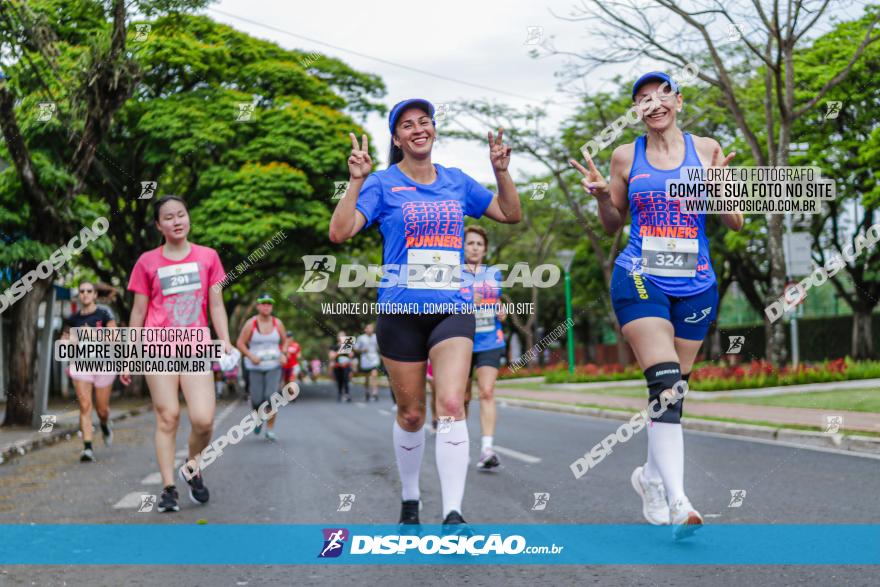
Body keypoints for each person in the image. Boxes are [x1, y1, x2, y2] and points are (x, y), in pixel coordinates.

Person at [328, 98, 521, 528]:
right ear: (396, 138)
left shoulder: (456, 181)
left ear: (434, 130)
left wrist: (501, 171)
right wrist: (355, 182)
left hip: (452, 309)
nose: (419, 129)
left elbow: (511, 213)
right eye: (407, 125)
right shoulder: (380, 183)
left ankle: (453, 511)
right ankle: (411, 496)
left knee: (451, 403)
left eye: (425, 122)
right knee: (412, 414)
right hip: (400, 312)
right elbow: (339, 232)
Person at [569, 71, 741, 539]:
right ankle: (680, 501)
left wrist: (720, 184)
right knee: (664, 383)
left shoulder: (707, 150)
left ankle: (649, 478)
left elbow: (736, 221)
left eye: (662, 94)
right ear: (636, 111)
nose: (654, 103)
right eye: (643, 99)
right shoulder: (626, 156)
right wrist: (604, 196)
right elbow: (611, 224)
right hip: (640, 276)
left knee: (672, 394)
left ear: (679, 102)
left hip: (697, 282)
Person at [122, 195, 233, 513]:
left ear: (188, 218)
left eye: (181, 214)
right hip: (158, 347)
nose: (176, 221)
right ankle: (169, 487)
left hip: (196, 345)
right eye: (168, 217)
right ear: (159, 225)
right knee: (167, 416)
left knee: (203, 419)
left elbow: (215, 304)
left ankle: (192, 466)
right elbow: (138, 312)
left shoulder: (208, 257)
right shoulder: (147, 262)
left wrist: (224, 339)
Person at [462, 226, 507, 470]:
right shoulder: (454, 272)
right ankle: (458, 446)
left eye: (479, 244)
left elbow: (496, 299)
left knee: (487, 392)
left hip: (490, 338)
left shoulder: (494, 274)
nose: (475, 247)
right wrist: (467, 299)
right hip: (461, 339)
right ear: (462, 246)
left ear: (485, 249)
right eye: (470, 243)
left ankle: (487, 449)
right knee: (462, 397)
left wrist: (502, 310)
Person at [61, 281, 117, 462]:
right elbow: (65, 340)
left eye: (88, 291)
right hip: (81, 364)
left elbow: (115, 339)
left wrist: (93, 334)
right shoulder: (73, 319)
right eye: (82, 291)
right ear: (79, 295)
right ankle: (87, 448)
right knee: (85, 405)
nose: (85, 294)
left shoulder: (104, 313)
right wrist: (68, 342)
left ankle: (104, 424)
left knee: (102, 409)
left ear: (95, 295)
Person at [236, 294, 288, 442]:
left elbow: (285, 342)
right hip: (255, 366)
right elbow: (240, 343)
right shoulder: (250, 323)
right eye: (263, 303)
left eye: (269, 304)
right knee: (257, 400)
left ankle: (270, 430)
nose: (266, 306)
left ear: (272, 307)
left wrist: (283, 353)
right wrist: (251, 356)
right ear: (258, 306)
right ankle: (258, 418)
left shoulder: (278, 323)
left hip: (274, 366)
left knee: (271, 398)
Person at [355, 323, 381, 401]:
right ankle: (367, 392)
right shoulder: (361, 338)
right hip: (365, 359)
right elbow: (356, 348)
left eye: (371, 328)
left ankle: (375, 393)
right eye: (368, 328)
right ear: (365, 330)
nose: (370, 330)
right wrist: (362, 350)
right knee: (366, 378)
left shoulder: (376, 337)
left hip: (374, 358)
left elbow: (379, 347)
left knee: (374, 375)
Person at [328, 331, 354, 402]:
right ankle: (340, 393)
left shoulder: (348, 346)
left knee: (346, 379)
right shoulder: (334, 347)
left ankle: (347, 393)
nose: (342, 338)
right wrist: (340, 350)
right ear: (337, 338)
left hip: (346, 365)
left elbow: (351, 356)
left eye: (344, 336)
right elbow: (331, 357)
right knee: (339, 380)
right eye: (340, 336)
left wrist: (350, 353)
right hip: (337, 366)